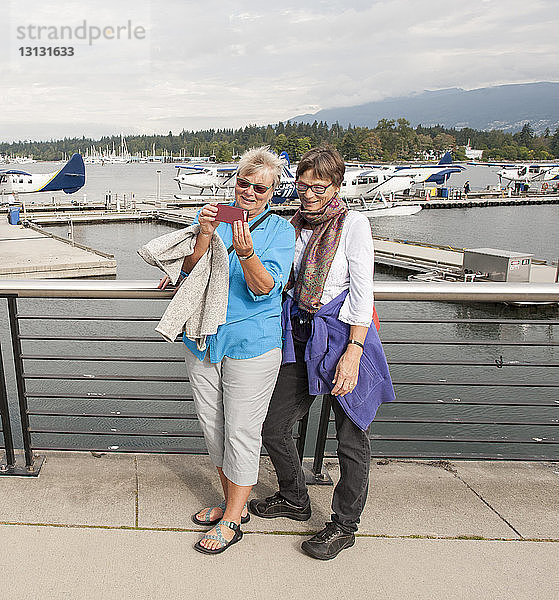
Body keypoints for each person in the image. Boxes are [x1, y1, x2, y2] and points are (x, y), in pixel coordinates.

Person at [249, 145, 394, 560]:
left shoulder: (354, 225)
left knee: (351, 439)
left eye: (318, 187)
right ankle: (295, 498)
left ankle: (344, 525)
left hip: (345, 335)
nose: (308, 195)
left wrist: (353, 351)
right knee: (274, 425)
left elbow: (363, 292)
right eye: (302, 186)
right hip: (301, 334)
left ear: (336, 185)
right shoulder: (291, 225)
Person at [160, 147, 295, 554]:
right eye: (243, 183)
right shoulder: (215, 220)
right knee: (213, 427)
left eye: (259, 187)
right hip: (202, 338)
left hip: (251, 342)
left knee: (241, 430)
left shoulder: (280, 232)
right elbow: (187, 275)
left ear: (273, 192)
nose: (249, 192)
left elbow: (263, 288)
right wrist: (202, 235)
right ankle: (230, 503)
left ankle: (234, 520)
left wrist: (247, 250)